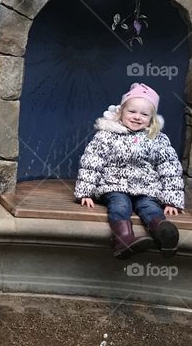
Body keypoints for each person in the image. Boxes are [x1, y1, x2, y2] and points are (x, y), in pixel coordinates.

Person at [75, 82, 184, 259]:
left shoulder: (157, 139)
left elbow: (170, 167)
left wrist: (172, 201)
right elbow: (92, 162)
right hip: (114, 185)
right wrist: (85, 192)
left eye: (144, 114)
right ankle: (123, 240)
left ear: (152, 118)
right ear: (121, 112)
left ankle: (164, 236)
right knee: (120, 205)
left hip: (146, 188)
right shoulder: (107, 135)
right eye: (132, 112)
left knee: (149, 207)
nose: (137, 117)